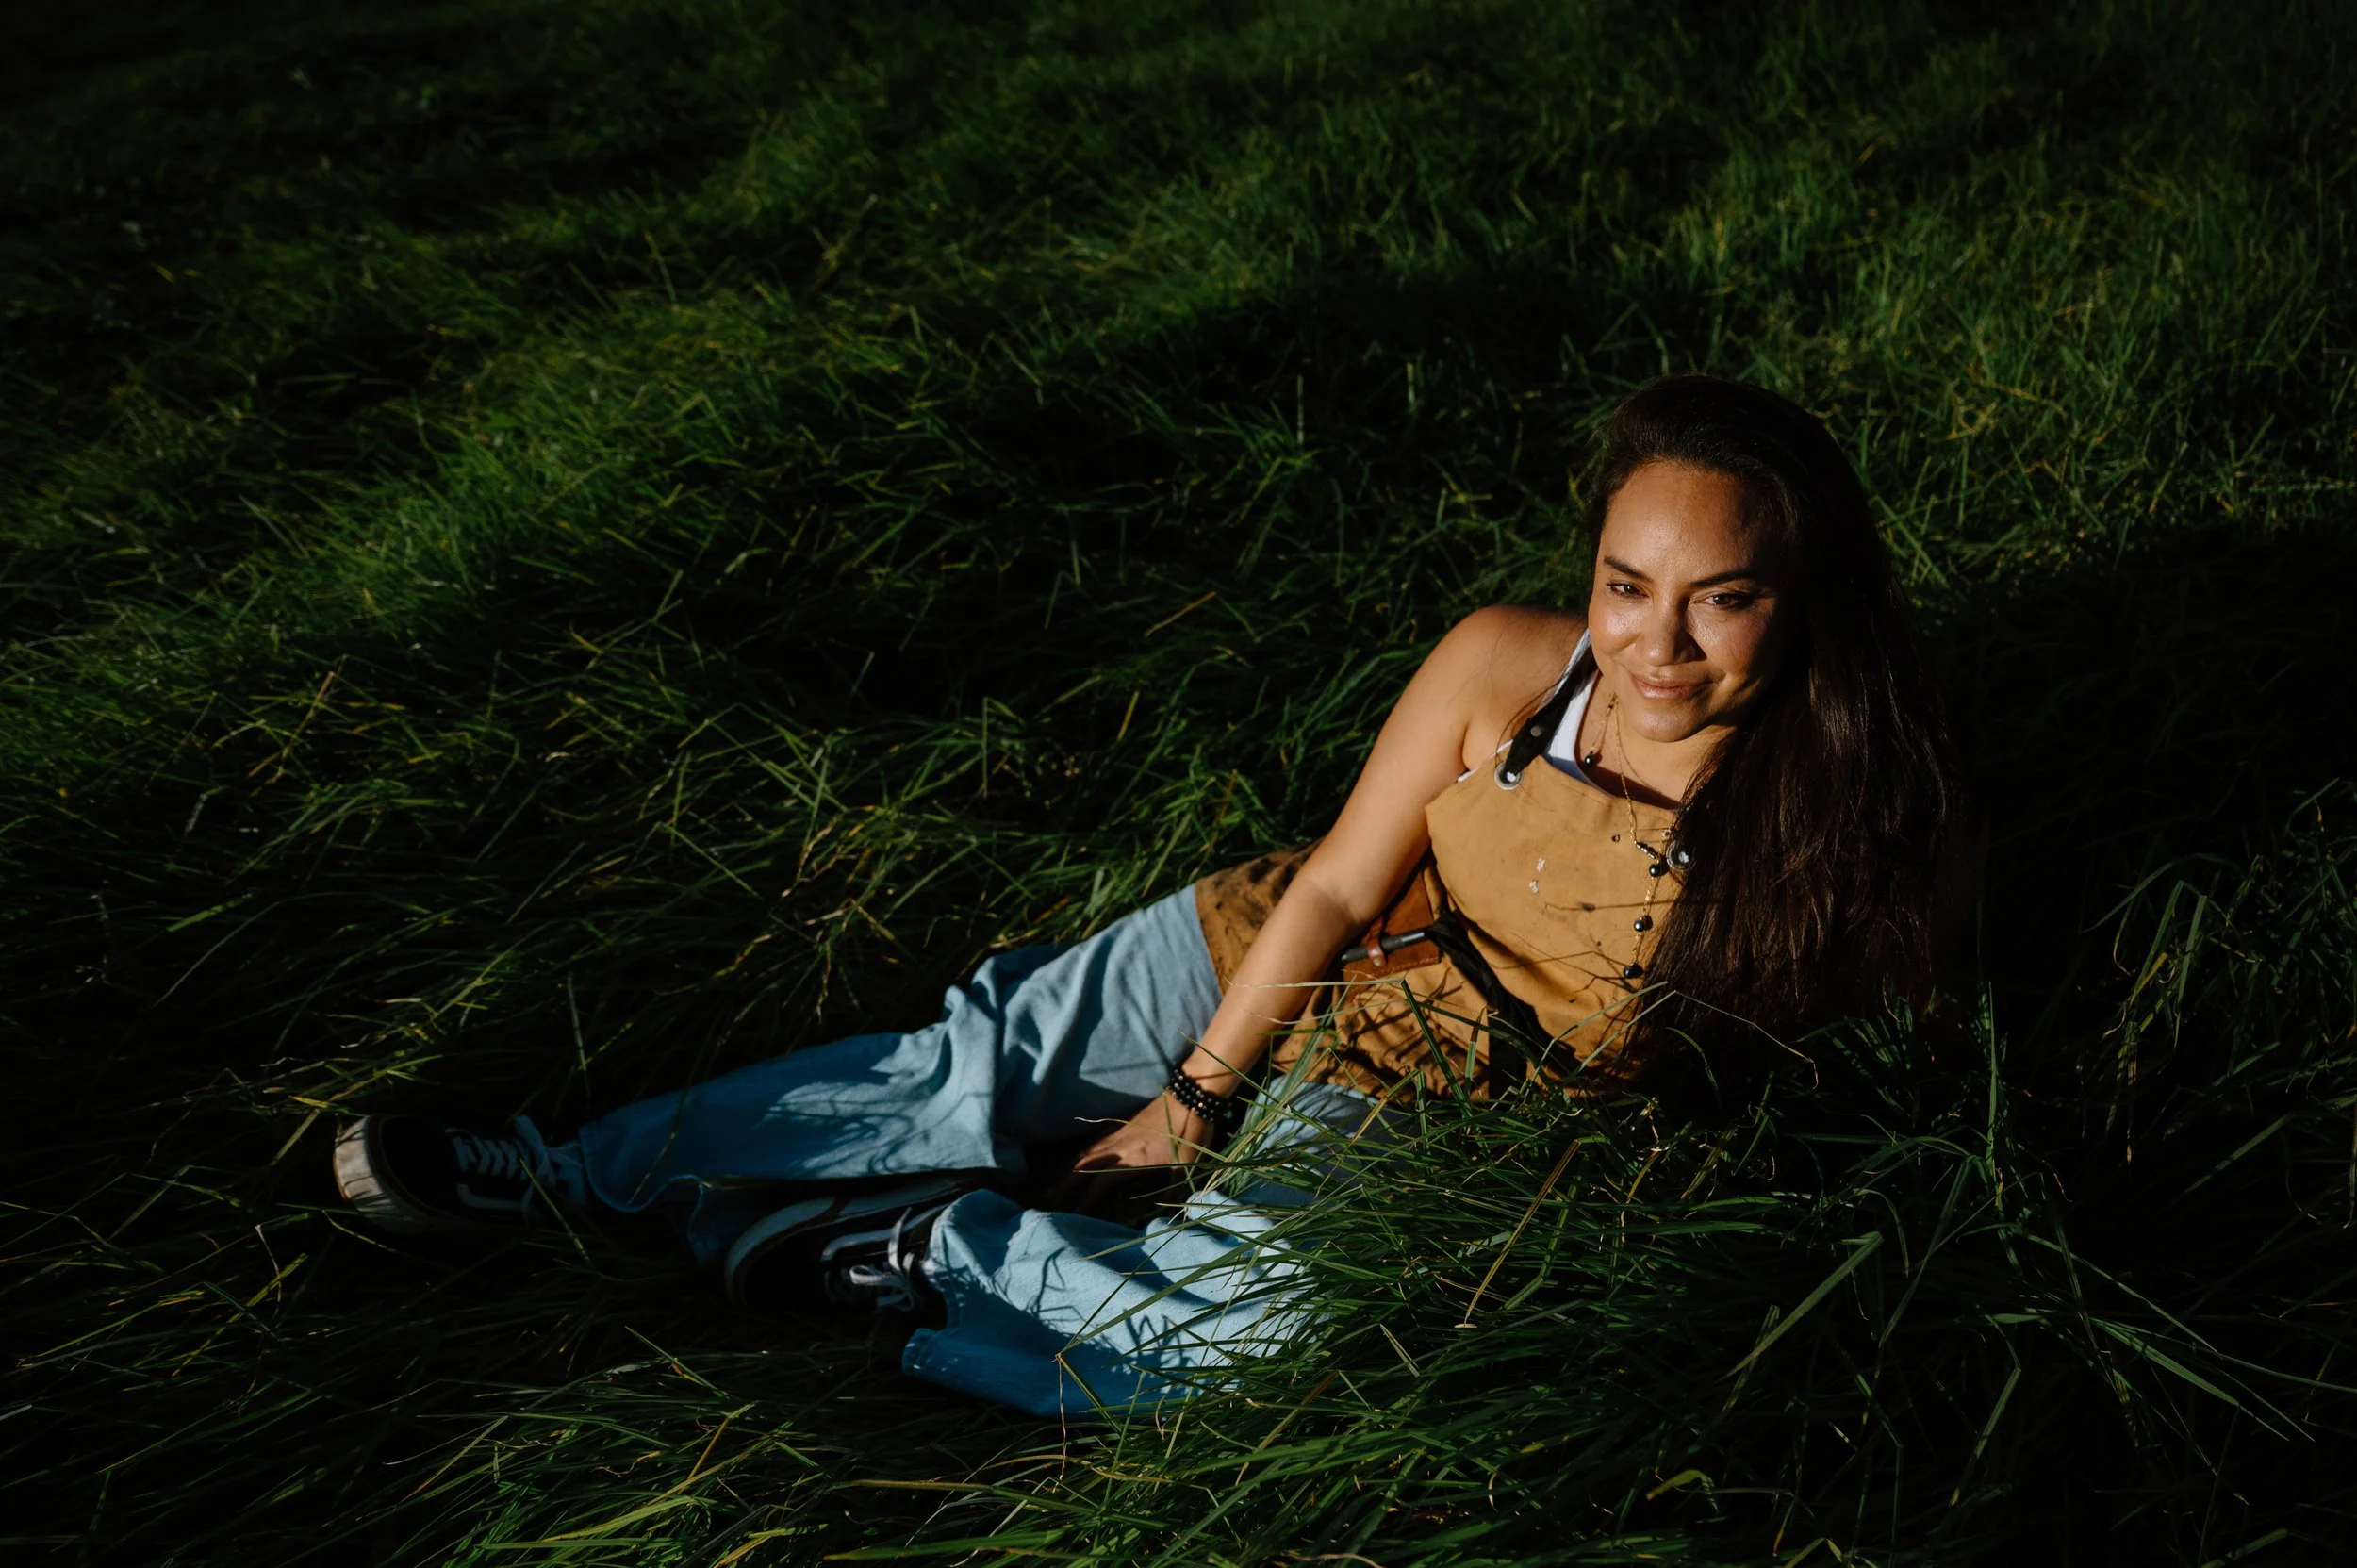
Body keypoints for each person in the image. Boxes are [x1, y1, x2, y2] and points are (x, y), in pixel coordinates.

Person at [331, 373, 1965, 1419]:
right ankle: (558, 1175)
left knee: (1253, 1336)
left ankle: (925, 1244)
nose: (1655, 645)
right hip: (1280, 946)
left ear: (1803, 600)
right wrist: (1194, 1096)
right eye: (1626, 585)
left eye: (1719, 601)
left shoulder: (1832, 819)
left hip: (1428, 1096)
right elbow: (1333, 883)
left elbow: (1731, 1106)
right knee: (965, 1065)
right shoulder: (1502, 665)